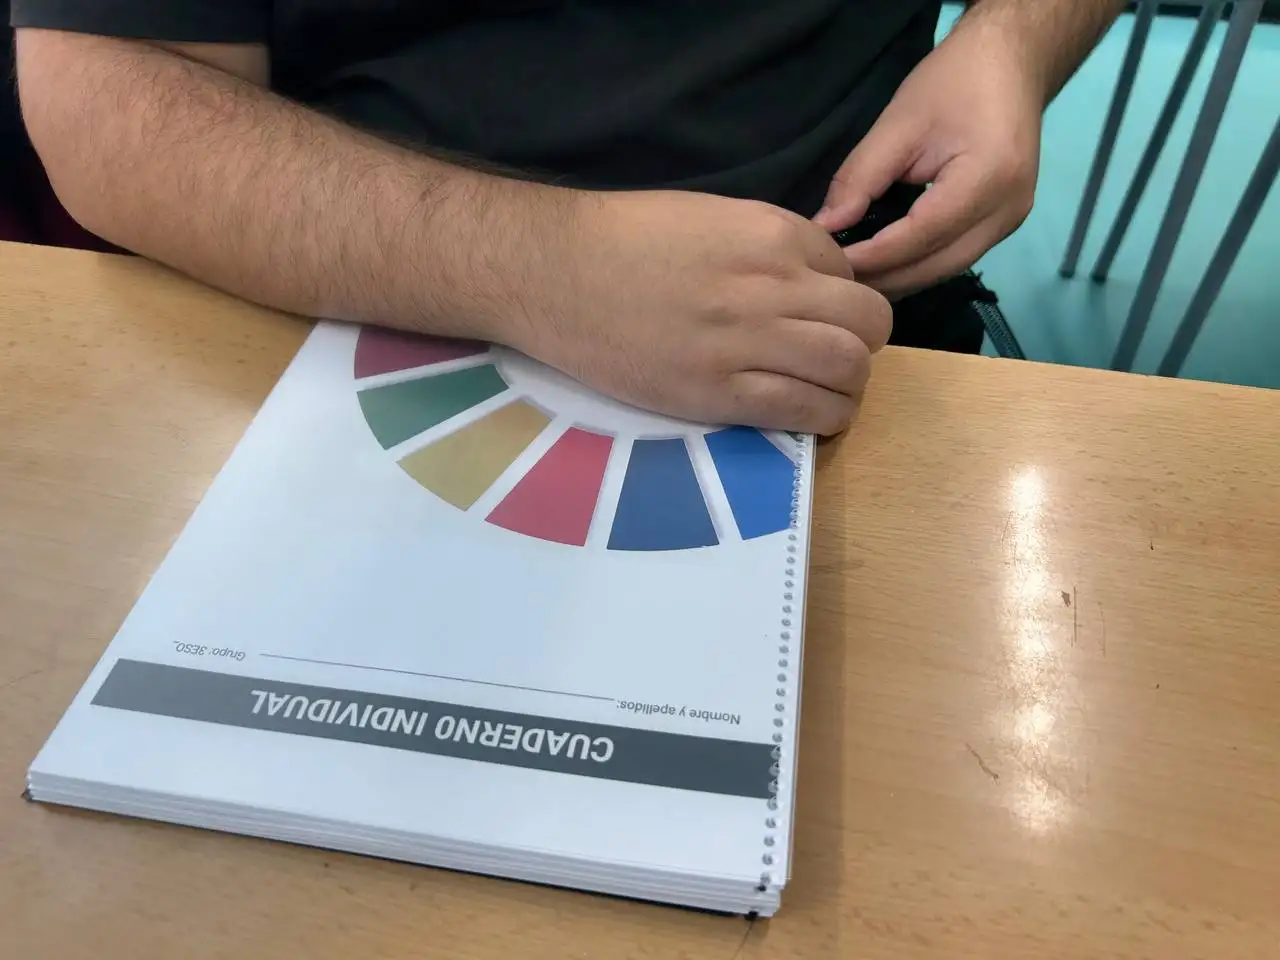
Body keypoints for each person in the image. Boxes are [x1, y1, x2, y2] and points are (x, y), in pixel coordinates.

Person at [10, 1, 1123, 435]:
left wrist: (1010, 42)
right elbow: (111, 91)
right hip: (342, 322)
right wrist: (543, 266)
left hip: (841, 331)